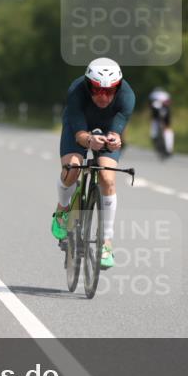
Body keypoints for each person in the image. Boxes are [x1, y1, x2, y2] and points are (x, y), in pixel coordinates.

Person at [51, 57, 135, 270]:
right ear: (89, 86)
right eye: (97, 90)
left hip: (106, 128)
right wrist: (89, 140)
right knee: (72, 168)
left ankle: (106, 242)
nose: (103, 96)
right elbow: (79, 133)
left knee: (108, 178)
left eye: (109, 91)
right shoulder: (76, 91)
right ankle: (62, 209)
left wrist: (115, 139)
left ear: (117, 88)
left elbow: (117, 130)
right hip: (79, 127)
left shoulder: (127, 96)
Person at [148, 87, 174, 159]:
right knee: (168, 130)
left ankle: (157, 141)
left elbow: (150, 106)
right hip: (163, 113)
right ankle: (169, 149)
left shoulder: (153, 95)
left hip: (158, 115)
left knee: (156, 130)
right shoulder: (165, 95)